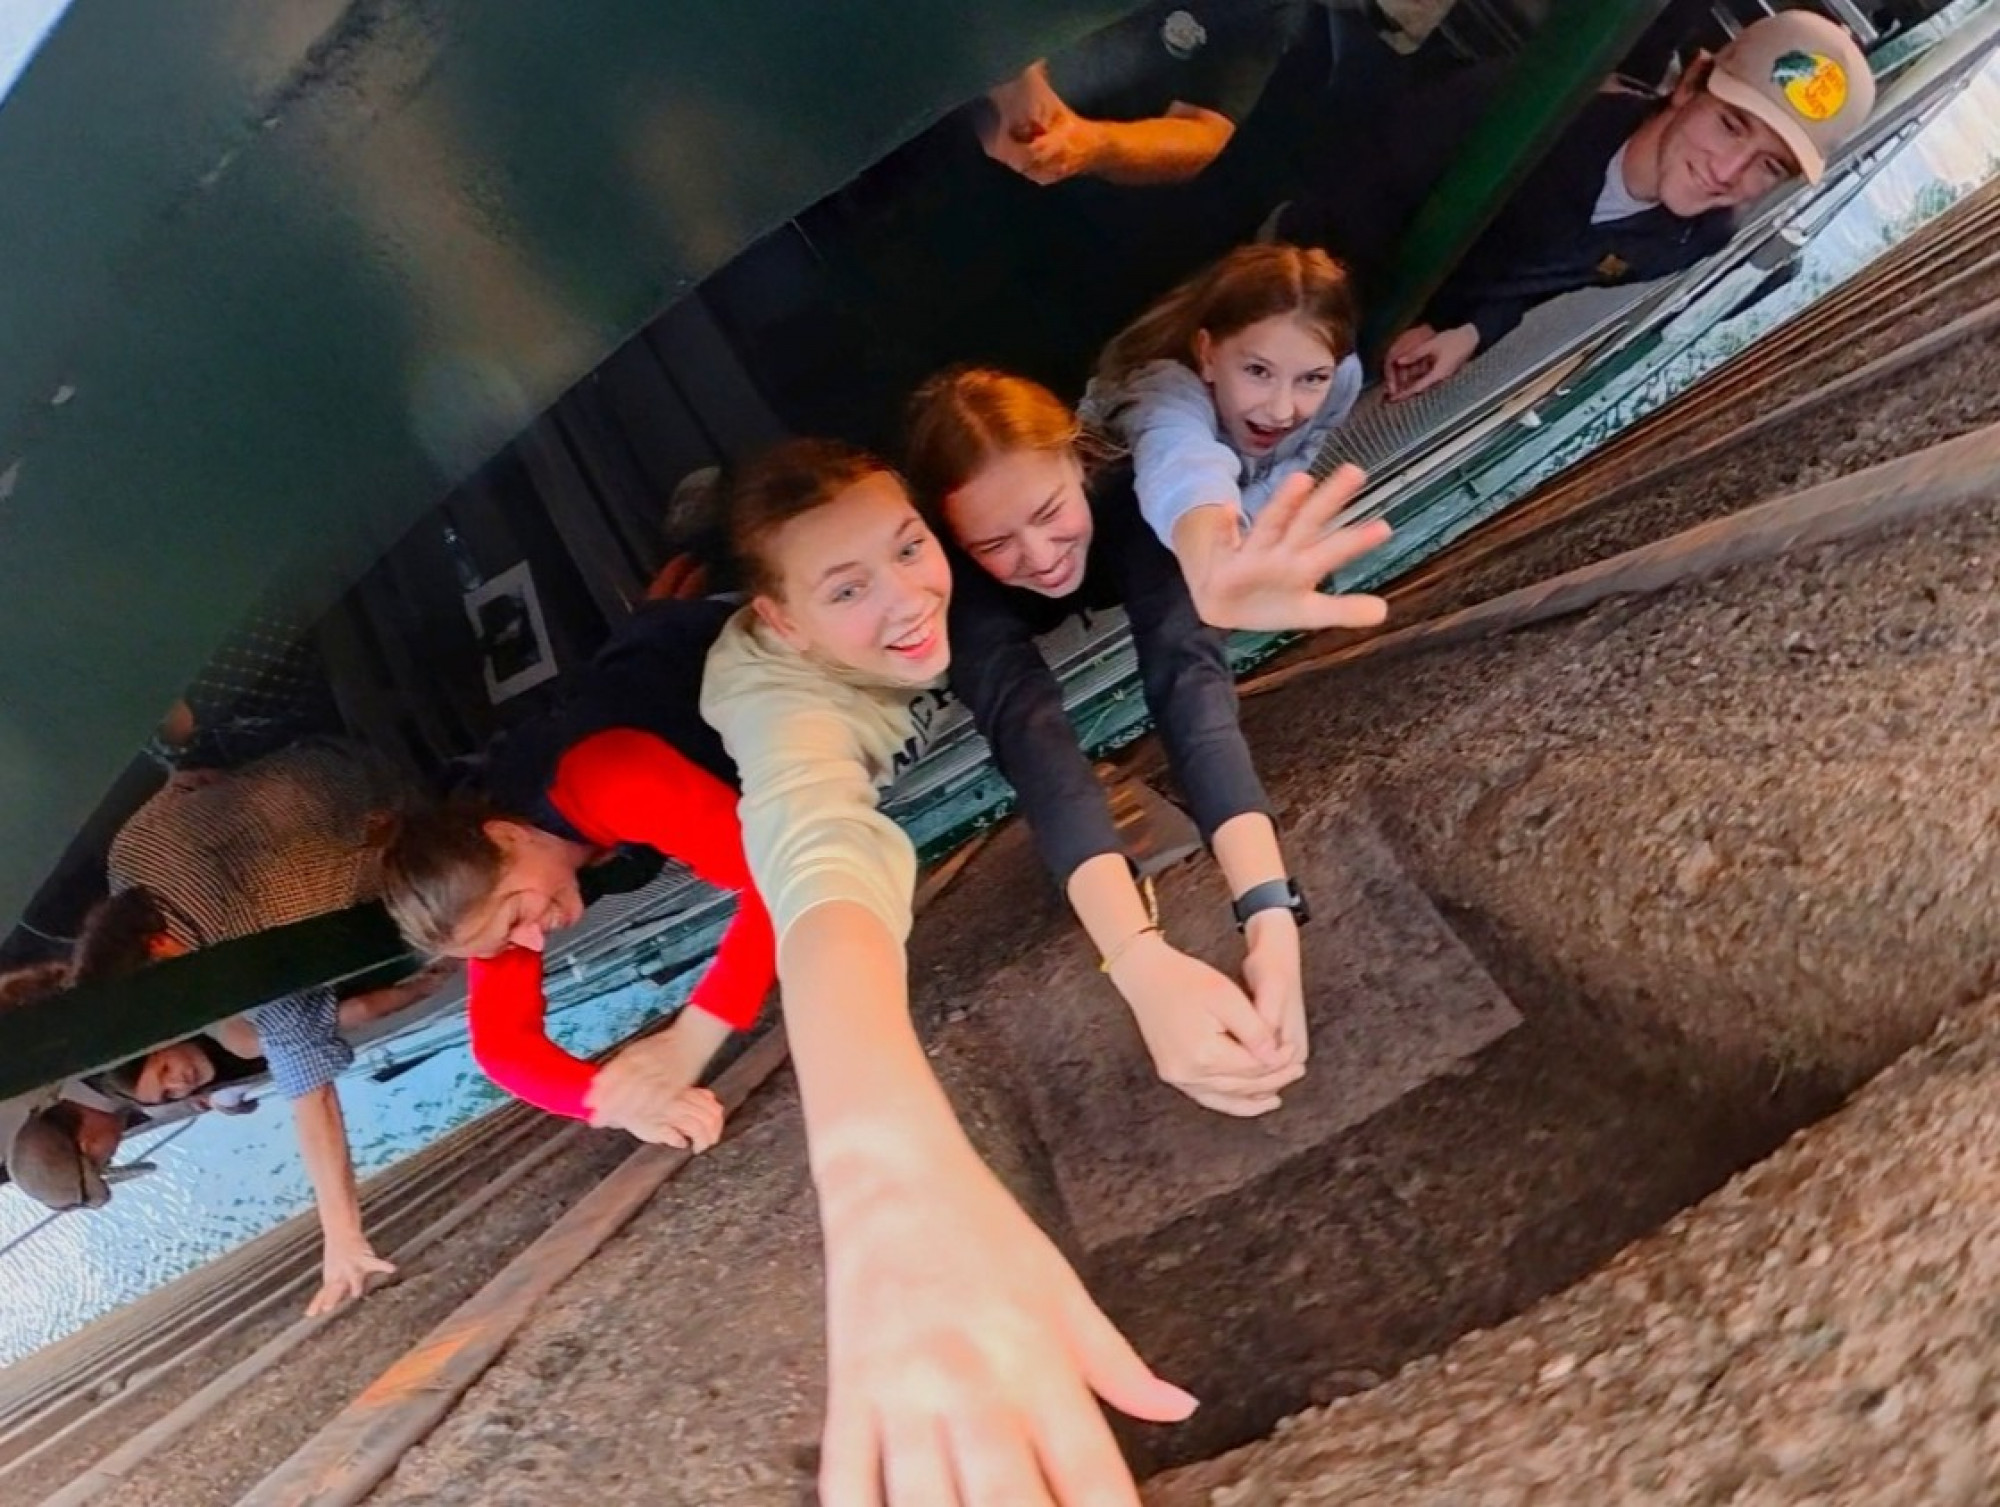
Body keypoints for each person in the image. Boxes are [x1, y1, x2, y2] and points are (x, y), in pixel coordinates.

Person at [701, 438, 1196, 1507]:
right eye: (846, 588)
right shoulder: (777, 700)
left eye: (908, 549)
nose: (904, 596)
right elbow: (817, 856)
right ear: (781, 620)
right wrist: (879, 1178)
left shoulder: (949, 562)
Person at [907, 366, 1310, 1116]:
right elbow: (1036, 745)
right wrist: (1138, 961)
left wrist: (1271, 912)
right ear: (954, 541)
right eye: (995, 541)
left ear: (1081, 457)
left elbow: (1188, 681)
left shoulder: (1128, 493)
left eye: (1049, 510)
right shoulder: (953, 585)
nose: (1038, 554)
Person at [1277, 11, 1877, 400]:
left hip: (1371, 347)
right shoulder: (1532, 115)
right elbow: (1353, 192)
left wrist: (1470, 330)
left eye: (1770, 165)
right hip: (1298, 284)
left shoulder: (1692, 236)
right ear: (1689, 84)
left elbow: (1541, 281)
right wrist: (1373, 321)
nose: (1726, 172)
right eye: (1729, 124)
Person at [380, 598, 769, 1150]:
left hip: (732, 647)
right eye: (507, 938)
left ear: (506, 835)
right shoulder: (497, 893)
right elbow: (502, 1048)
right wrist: (619, 1105)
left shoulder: (610, 780)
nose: (532, 939)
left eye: (518, 915)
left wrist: (692, 1037)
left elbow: (783, 881)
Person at [98, 739, 445, 1316]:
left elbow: (313, 1097)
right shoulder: (126, 857)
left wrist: (342, 1237)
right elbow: (193, 780)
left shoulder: (247, 958)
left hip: (410, 804)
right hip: (323, 750)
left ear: (159, 947)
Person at [1082, 241, 1393, 631]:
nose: (1282, 410)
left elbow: (1298, 455)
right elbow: (1182, 463)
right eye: (1258, 371)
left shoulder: (1342, 377)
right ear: (1207, 353)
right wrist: (1218, 560)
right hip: (1112, 545)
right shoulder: (1160, 390)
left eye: (1311, 378)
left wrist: (1246, 533)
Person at [978, 1, 1310, 189]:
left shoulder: (1268, 8)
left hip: (1059, 191)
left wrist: (1092, 144)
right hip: (952, 98)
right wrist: (1017, 72)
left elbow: (1204, 128)